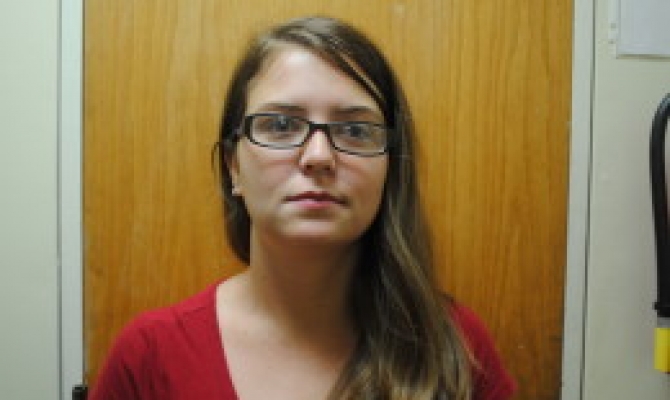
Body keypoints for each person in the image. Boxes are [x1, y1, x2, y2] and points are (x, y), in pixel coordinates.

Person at [89, 16, 516, 400]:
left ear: (390, 167)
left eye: (355, 130)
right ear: (234, 166)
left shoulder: (455, 348)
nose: (318, 156)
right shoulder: (149, 356)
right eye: (280, 125)